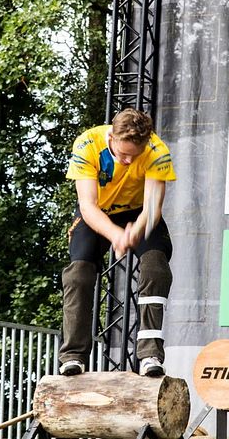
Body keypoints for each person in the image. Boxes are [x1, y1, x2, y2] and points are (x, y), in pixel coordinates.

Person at [59, 108, 176, 377]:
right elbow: (87, 206)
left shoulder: (157, 151)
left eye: (133, 156)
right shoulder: (88, 144)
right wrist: (115, 235)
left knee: (156, 267)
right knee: (78, 275)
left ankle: (149, 354)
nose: (126, 160)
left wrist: (136, 230)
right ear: (111, 136)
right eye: (121, 153)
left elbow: (152, 207)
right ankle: (73, 356)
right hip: (99, 212)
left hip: (138, 212)